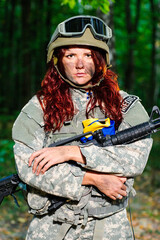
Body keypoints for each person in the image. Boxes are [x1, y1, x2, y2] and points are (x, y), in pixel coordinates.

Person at [12, 15, 153, 240]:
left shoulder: (124, 106)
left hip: (110, 228)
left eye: (88, 55)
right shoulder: (39, 107)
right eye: (71, 55)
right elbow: (27, 166)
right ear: (58, 61)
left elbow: (134, 159)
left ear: (100, 60)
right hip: (51, 228)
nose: (80, 64)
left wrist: (73, 152)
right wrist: (92, 178)